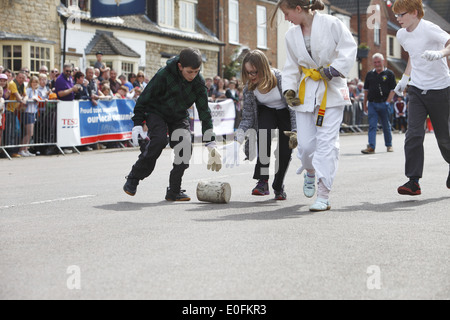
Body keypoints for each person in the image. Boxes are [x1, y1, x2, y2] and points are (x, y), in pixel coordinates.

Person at [272, 0, 357, 211]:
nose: (286, 18)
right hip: (306, 93)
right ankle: (310, 171)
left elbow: (349, 47)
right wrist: (289, 90)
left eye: (287, 12)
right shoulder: (290, 35)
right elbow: (291, 66)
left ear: (298, 9)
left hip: (332, 90)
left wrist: (335, 69)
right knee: (306, 146)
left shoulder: (332, 23)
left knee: (326, 143)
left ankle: (323, 194)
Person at [123, 47, 222, 201]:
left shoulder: (198, 82)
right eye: (190, 72)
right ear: (180, 66)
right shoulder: (164, 74)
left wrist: (210, 141)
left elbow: (204, 111)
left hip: (178, 115)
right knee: (159, 141)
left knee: (185, 147)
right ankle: (134, 177)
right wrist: (137, 123)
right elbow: (144, 98)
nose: (193, 76)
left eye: (196, 72)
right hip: (157, 112)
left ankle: (174, 190)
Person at [392, 0, 450, 195]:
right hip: (417, 89)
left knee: (445, 139)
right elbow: (412, 57)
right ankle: (413, 181)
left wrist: (440, 53)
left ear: (415, 12)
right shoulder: (401, 34)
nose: (398, 19)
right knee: (413, 134)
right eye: (396, 15)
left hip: (441, 89)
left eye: (401, 14)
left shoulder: (430, 29)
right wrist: (405, 79)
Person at [225, 49, 297, 200]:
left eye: (255, 72)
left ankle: (278, 185)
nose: (251, 76)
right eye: (248, 73)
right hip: (267, 111)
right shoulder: (249, 88)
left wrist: (297, 132)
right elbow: (247, 118)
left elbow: (295, 109)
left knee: (285, 151)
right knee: (263, 136)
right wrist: (236, 141)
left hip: (286, 112)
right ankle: (262, 181)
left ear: (264, 68)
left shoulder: (282, 80)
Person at [361, 53, 396, 154]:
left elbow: (392, 90)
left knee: (386, 125)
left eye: (379, 62)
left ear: (383, 61)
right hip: (372, 104)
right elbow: (366, 90)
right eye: (375, 62)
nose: (377, 64)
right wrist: (365, 104)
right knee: (372, 126)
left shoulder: (389, 74)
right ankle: (371, 147)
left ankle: (389, 145)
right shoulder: (369, 74)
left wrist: (387, 102)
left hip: (384, 104)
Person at [6, 71, 27, 158]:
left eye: (23, 78)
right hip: (9, 110)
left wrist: (24, 100)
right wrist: (23, 100)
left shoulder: (22, 85)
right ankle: (10, 152)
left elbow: (25, 96)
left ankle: (14, 150)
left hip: (15, 111)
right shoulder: (12, 83)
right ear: (17, 77)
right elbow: (18, 97)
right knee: (11, 132)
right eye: (20, 78)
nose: (21, 80)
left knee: (16, 131)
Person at [19, 76, 41, 157]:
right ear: (30, 83)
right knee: (29, 133)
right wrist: (32, 99)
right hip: (27, 112)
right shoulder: (28, 90)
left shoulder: (36, 91)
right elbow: (26, 98)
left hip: (33, 112)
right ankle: (21, 149)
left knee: (30, 134)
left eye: (36, 82)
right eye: (33, 82)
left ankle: (25, 149)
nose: (35, 84)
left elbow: (38, 101)